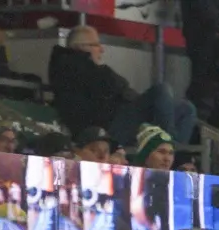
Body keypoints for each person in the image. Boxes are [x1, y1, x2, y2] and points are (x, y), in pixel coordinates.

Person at [50, 25, 196, 147]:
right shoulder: (70, 67)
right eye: (96, 45)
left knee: (186, 109)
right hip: (105, 128)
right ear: (81, 47)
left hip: (118, 118)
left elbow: (119, 87)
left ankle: (172, 152)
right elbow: (115, 85)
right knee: (161, 91)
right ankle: (166, 146)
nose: (101, 50)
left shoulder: (85, 68)